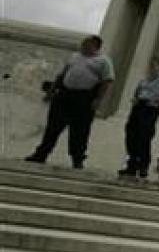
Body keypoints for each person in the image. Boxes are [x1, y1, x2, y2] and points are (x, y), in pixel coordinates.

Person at [25, 35, 114, 169]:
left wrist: (98, 99)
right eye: (83, 43)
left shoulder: (103, 61)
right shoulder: (74, 57)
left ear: (95, 46)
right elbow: (62, 74)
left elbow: (107, 81)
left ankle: (77, 159)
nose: (83, 46)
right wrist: (51, 91)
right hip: (65, 94)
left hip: (84, 98)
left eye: (87, 44)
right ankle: (41, 154)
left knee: (79, 130)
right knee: (53, 126)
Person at [118, 57, 159, 179]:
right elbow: (137, 92)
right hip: (139, 106)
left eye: (155, 65)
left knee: (144, 136)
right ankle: (132, 164)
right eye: (151, 65)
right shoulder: (144, 79)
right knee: (131, 134)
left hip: (150, 108)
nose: (152, 68)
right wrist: (135, 100)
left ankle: (143, 165)